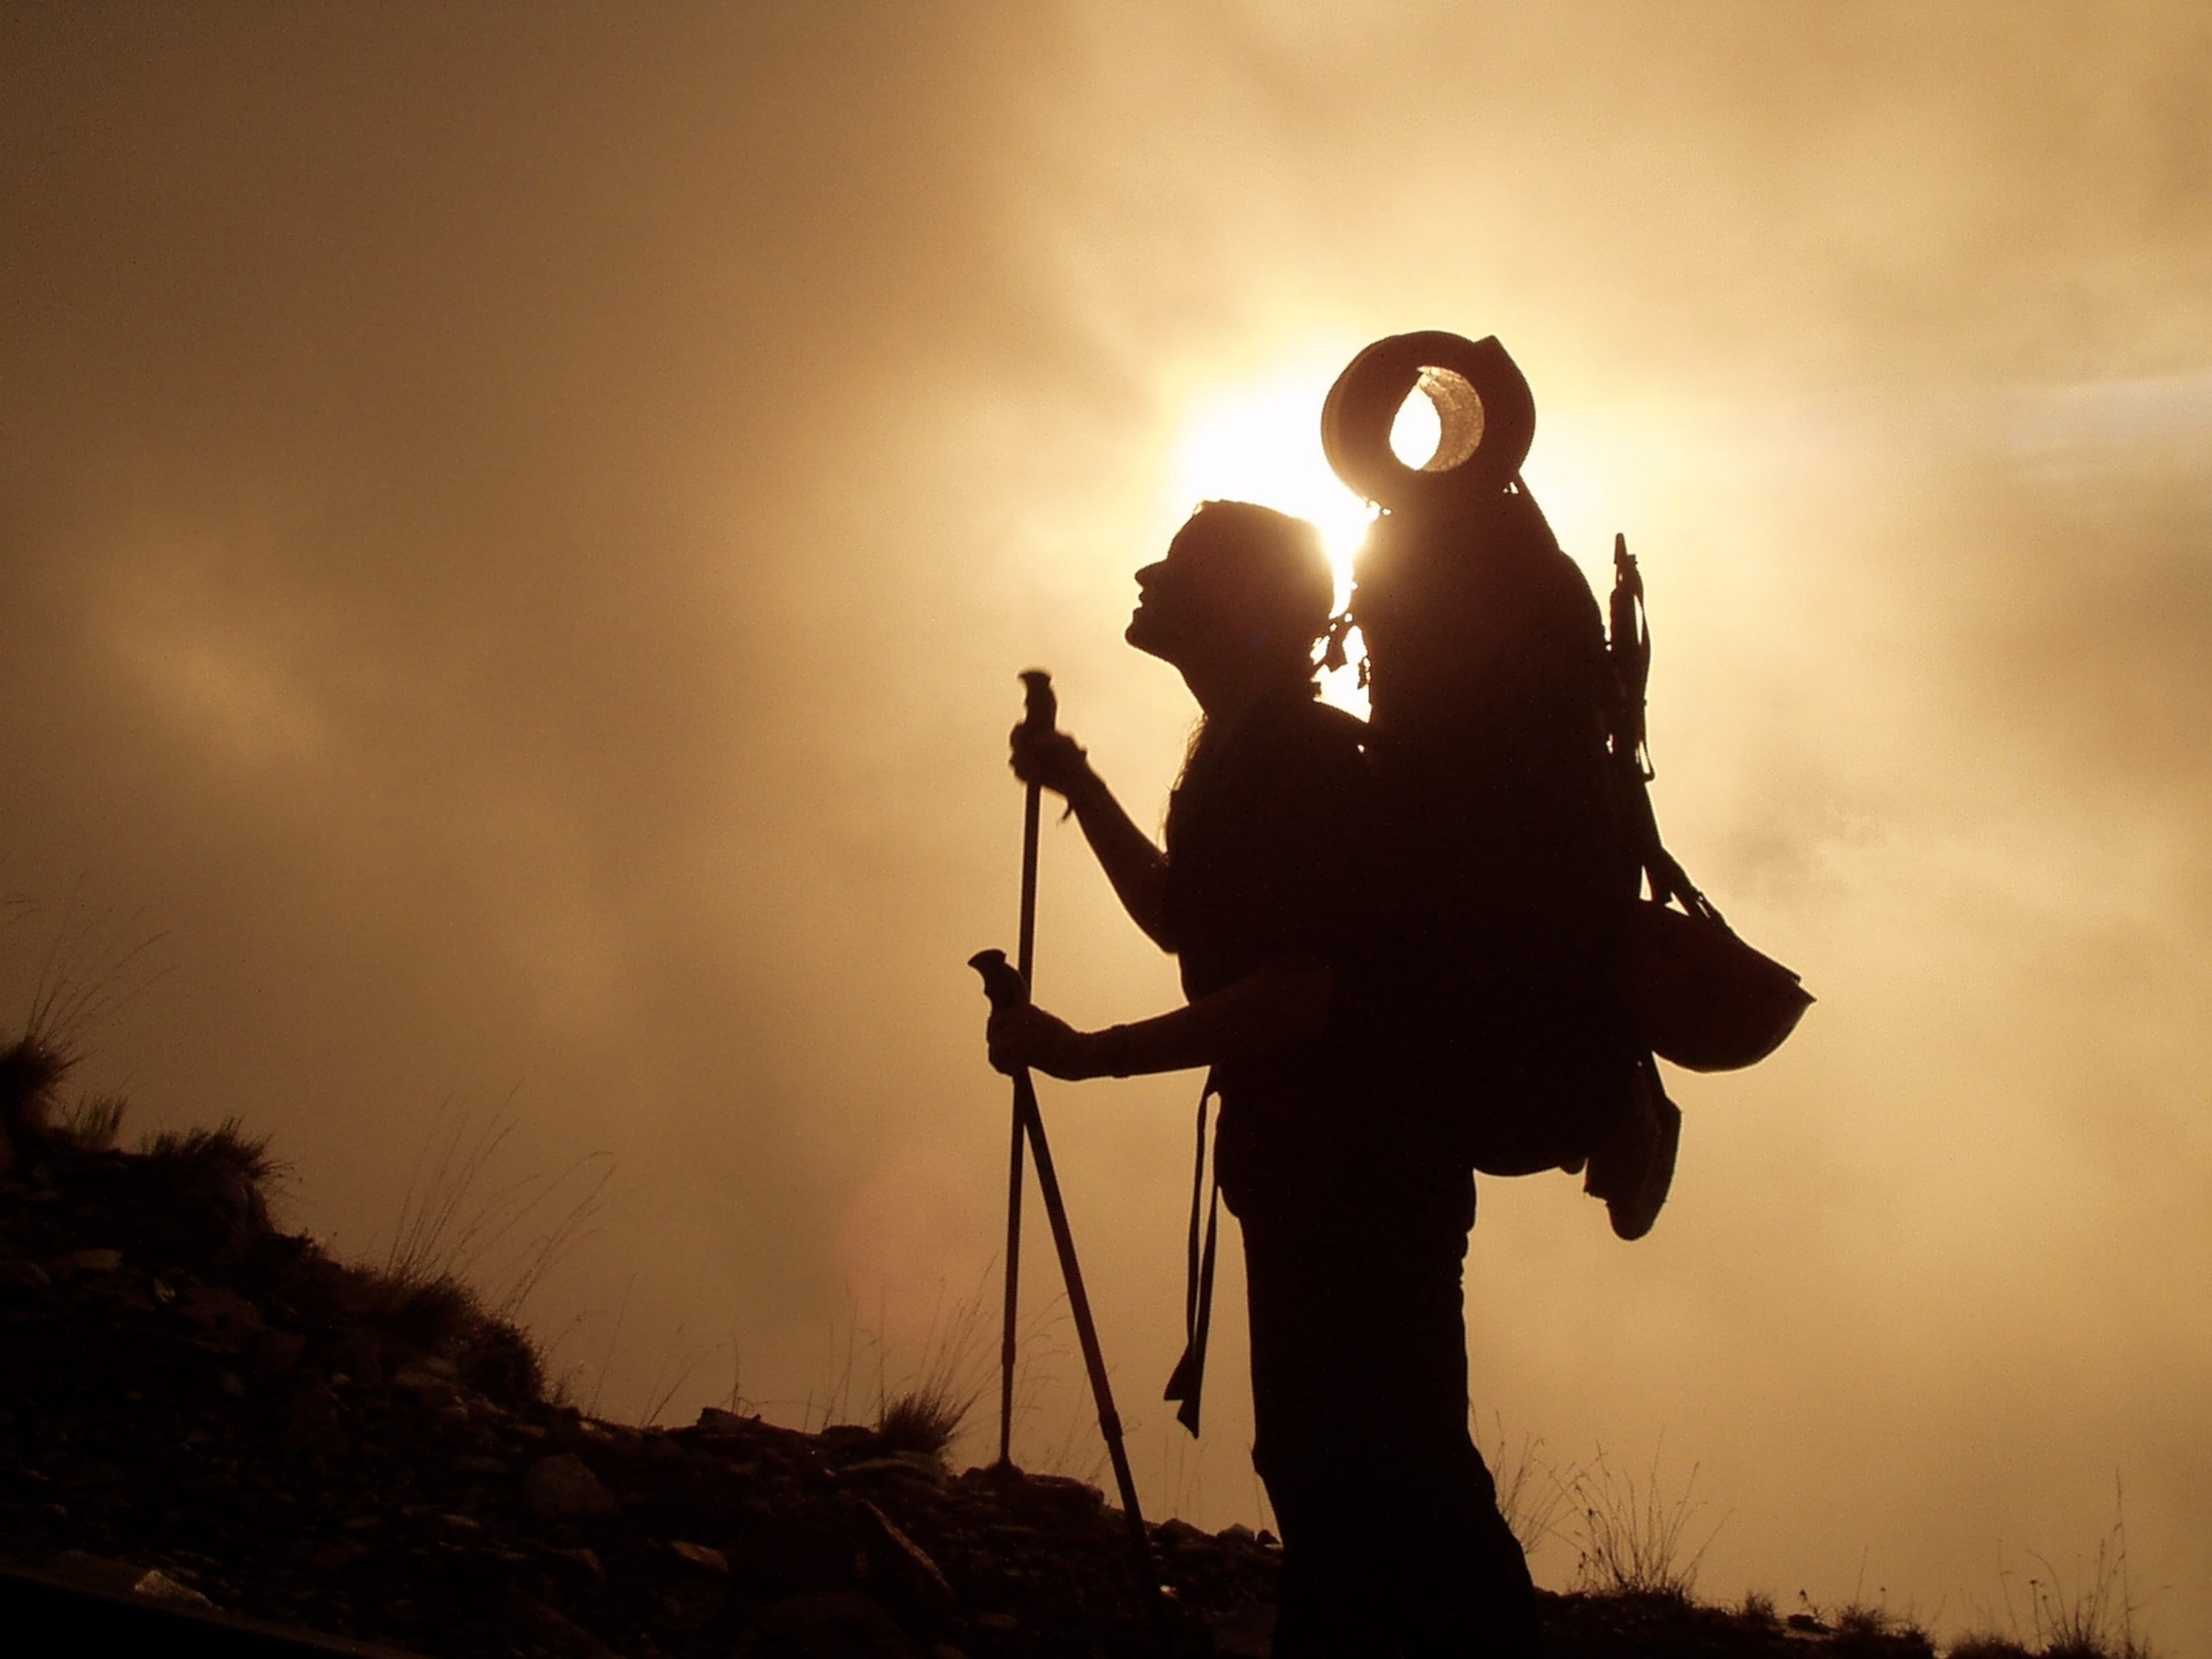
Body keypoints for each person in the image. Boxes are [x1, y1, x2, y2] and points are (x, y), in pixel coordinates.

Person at [984, 499, 1543, 1657]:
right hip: (1320, 1165)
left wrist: (1092, 1056)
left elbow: (1301, 991)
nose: (1148, 576)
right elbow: (1189, 921)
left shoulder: (1298, 756)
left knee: (1378, 1464)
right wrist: (1082, 786)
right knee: (1340, 1459)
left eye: (1180, 567)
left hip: (1361, 1166)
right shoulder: (1248, 753)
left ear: (1238, 599)